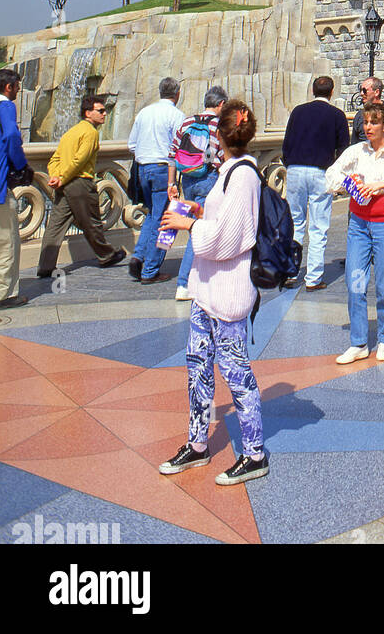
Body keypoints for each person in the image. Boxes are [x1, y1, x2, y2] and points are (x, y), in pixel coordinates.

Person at [157, 98, 268, 486]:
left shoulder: (243, 176)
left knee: (236, 373)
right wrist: (197, 212)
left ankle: (255, 453)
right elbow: (220, 222)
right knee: (198, 368)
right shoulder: (229, 173)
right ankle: (197, 442)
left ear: (220, 136)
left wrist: (190, 229)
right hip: (207, 291)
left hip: (229, 293)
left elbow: (227, 240)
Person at [327, 102, 384, 363]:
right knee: (355, 282)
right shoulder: (357, 151)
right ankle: (358, 342)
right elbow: (332, 174)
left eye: (373, 123)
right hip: (358, 225)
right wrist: (349, 183)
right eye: (365, 123)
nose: (368, 128)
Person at [37, 95, 127, 277]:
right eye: (100, 111)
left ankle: (46, 266)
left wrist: (55, 176)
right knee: (92, 222)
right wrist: (62, 178)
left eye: (105, 110)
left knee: (56, 225)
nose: (104, 114)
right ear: (88, 113)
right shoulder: (91, 132)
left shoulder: (71, 132)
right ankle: (107, 255)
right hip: (79, 183)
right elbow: (80, 160)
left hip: (65, 184)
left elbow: (55, 158)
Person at [280, 75, 350, 292]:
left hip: (295, 170)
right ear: (331, 92)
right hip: (321, 171)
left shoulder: (298, 111)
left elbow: (287, 141)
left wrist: (290, 162)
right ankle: (313, 278)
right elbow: (343, 149)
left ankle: (291, 272)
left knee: (295, 222)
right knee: (319, 226)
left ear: (312, 91)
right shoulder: (337, 115)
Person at [168, 86, 228, 302]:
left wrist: (171, 183)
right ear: (221, 104)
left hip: (188, 179)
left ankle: (203, 278)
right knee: (200, 229)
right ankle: (184, 283)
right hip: (207, 178)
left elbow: (173, 153)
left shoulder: (186, 121)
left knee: (197, 226)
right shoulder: (218, 124)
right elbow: (221, 156)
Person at [127, 77, 185, 283]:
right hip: (163, 171)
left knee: (153, 215)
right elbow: (180, 149)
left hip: (143, 169)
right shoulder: (177, 115)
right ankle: (150, 269)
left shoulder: (144, 112)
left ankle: (138, 255)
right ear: (177, 94)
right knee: (167, 220)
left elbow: (131, 144)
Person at [0, 69, 30, 307]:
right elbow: (11, 135)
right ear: (8, 87)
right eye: (17, 87)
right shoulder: (6, 106)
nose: (19, 91)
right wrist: (21, 165)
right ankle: (5, 294)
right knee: (7, 241)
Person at [351, 77, 384, 144]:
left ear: (376, 92)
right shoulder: (359, 115)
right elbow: (354, 143)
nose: (361, 93)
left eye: (364, 90)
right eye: (360, 90)